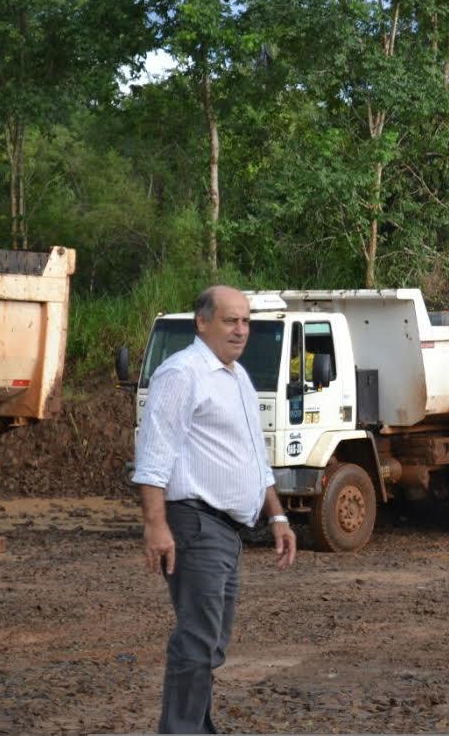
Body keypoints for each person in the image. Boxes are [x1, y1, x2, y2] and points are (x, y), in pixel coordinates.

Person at [132, 284, 297, 734]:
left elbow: (254, 458)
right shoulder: (182, 373)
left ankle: (193, 727)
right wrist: (156, 525)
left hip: (227, 530)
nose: (241, 330)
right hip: (194, 521)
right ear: (202, 322)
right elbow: (153, 455)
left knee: (212, 642)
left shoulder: (237, 377)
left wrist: (277, 516)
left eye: (246, 321)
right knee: (199, 637)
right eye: (231, 320)